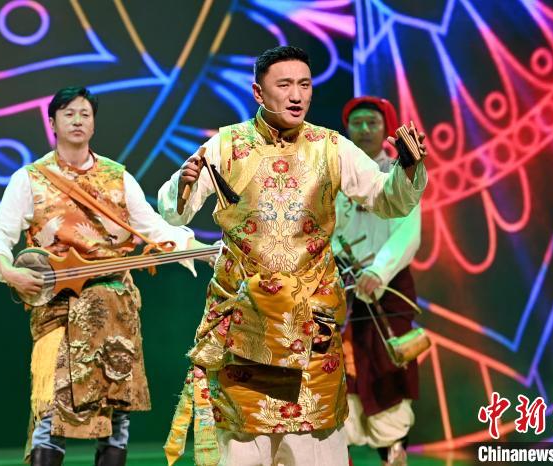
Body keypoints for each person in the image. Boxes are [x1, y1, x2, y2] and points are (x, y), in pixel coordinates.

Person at [158, 46, 428, 466]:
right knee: (244, 443)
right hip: (245, 318)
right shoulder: (228, 144)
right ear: (258, 92)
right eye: (284, 85)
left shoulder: (330, 147)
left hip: (309, 320)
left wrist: (407, 169)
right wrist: (184, 184)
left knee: (312, 441)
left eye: (304, 84)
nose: (297, 94)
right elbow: (175, 211)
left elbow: (386, 199)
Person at [0, 86, 203, 466]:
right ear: (52, 123)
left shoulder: (118, 177)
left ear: (94, 124)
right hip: (59, 309)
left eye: (85, 113)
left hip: (114, 309)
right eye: (68, 113)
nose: (77, 120)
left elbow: (155, 229)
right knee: (51, 410)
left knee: (117, 415)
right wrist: (10, 272)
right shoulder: (29, 179)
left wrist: (202, 249)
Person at [333, 96, 422, 466]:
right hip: (343, 288)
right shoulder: (337, 175)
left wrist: (378, 271)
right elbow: (325, 227)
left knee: (387, 367)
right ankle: (340, 449)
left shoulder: (398, 175)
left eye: (372, 122)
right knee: (341, 369)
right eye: (357, 123)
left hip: (388, 288)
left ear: (386, 128)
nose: (364, 129)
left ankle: (392, 449)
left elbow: (409, 231)